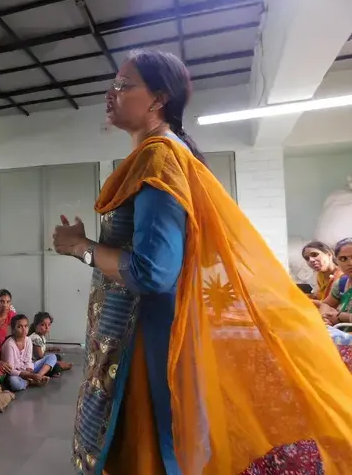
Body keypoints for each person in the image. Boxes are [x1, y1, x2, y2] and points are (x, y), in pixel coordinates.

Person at [52, 49, 352, 474]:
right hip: (151, 331)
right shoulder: (165, 155)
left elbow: (152, 273)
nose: (110, 92)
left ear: (158, 98)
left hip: (146, 341)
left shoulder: (159, 158)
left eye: (123, 84)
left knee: (150, 453)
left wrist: (79, 246)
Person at [1, 314, 53, 391]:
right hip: (17, 373)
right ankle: (31, 382)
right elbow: (10, 370)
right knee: (14, 383)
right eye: (19, 327)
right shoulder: (9, 344)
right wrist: (30, 376)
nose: (24, 329)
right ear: (13, 329)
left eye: (26, 326)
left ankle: (38, 376)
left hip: (27, 370)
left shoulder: (28, 340)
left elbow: (29, 360)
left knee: (52, 357)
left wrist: (30, 371)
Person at [320, 238, 352, 326]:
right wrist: (325, 317)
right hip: (343, 336)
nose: (350, 263)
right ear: (337, 261)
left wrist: (341, 316)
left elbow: (338, 316)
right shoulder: (342, 283)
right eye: (343, 259)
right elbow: (327, 304)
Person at [302, 241, 342, 305]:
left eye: (314, 255)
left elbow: (329, 305)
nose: (311, 260)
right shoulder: (320, 275)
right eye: (307, 258)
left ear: (329, 254)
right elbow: (318, 296)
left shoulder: (341, 276)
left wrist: (300, 300)